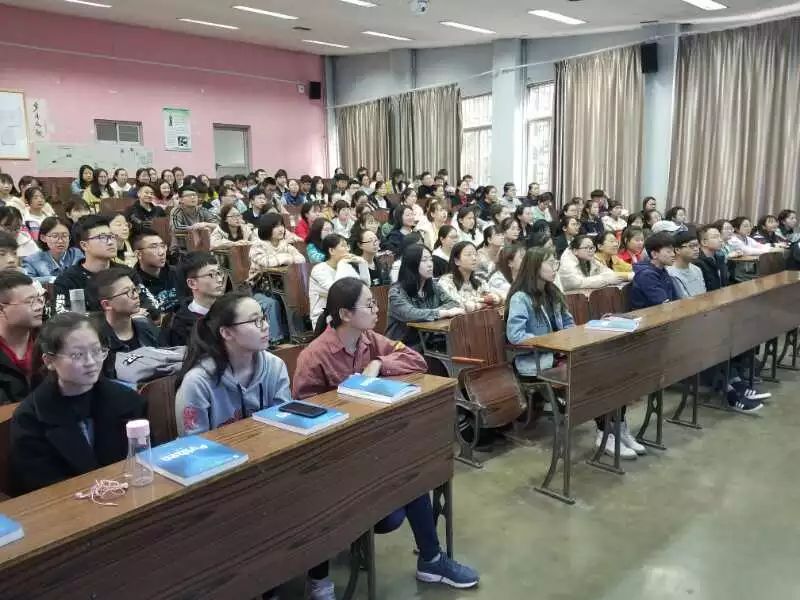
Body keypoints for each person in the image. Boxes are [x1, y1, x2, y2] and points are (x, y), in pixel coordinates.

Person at [293, 277, 480, 598]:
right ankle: (318, 581)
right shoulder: (315, 355)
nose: (376, 309)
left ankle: (431, 559)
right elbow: (303, 412)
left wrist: (379, 362)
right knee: (341, 502)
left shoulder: (369, 340)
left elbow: (416, 360)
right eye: (369, 305)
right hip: (333, 457)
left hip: (371, 448)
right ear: (345, 314)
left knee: (412, 472)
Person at [9, 313, 146, 495]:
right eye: (77, 355)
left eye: (97, 351)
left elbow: (144, 461)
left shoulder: (127, 400)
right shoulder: (29, 419)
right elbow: (40, 486)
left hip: (129, 494)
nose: (91, 362)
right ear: (49, 361)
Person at [175, 289, 291, 443]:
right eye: (255, 321)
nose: (266, 326)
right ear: (227, 333)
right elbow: (194, 445)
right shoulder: (197, 382)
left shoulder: (275, 366)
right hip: (219, 456)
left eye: (263, 318)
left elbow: (285, 424)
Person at [88, 268, 161, 378]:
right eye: (128, 292)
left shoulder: (145, 325)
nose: (136, 295)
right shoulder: (96, 341)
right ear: (107, 304)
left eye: (135, 289)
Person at [386, 246, 463, 349]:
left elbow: (453, 303)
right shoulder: (396, 292)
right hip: (403, 346)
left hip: (429, 342)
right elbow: (410, 314)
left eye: (430, 259)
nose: (430, 264)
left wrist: (437, 312)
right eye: (424, 260)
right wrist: (443, 313)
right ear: (411, 264)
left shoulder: (433, 286)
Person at [160, 252, 225, 347]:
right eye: (211, 275)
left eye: (219, 273)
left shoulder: (231, 310)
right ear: (192, 283)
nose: (219, 279)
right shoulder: (178, 325)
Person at [0, 271, 44, 405]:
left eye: (39, 299)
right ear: (1, 309)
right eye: (30, 302)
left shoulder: (49, 340)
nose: (39, 307)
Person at [308, 234, 370, 330]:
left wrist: (363, 264)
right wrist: (342, 264)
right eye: (343, 246)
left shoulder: (346, 266)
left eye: (347, 246)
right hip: (324, 319)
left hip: (346, 315)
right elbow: (338, 291)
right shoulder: (319, 270)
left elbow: (364, 288)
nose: (348, 249)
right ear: (331, 251)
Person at [438, 242, 502, 311]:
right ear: (457, 261)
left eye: (475, 254)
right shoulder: (446, 281)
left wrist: (491, 299)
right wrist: (483, 302)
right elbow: (456, 305)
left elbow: (496, 298)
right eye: (469, 255)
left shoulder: (479, 280)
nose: (474, 258)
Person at [22, 217, 84, 283]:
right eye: (55, 236)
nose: (60, 241)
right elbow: (26, 281)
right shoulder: (32, 260)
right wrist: (52, 279)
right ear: (43, 238)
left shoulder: (77, 254)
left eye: (65, 236)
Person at [133, 228, 179, 314]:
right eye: (153, 247)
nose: (162, 252)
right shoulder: (133, 282)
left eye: (163, 246)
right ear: (138, 254)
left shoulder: (177, 273)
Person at [559, 235, 627, 291]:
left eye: (592, 247)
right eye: (587, 248)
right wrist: (606, 279)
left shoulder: (590, 258)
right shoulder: (567, 264)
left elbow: (609, 273)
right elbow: (579, 283)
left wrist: (608, 278)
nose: (591, 251)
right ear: (575, 251)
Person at [629, 233, 677, 310]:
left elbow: (674, 299)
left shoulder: (662, 270)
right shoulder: (646, 275)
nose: (673, 254)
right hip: (647, 316)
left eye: (673, 251)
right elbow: (663, 303)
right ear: (654, 254)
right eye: (669, 251)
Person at [170, 186, 219, 252]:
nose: (193, 197)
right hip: (181, 249)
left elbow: (218, 225)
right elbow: (175, 227)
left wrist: (205, 224)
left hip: (203, 247)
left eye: (194, 195)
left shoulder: (202, 210)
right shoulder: (176, 211)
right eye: (189, 195)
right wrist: (195, 227)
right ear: (181, 199)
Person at [666, 232, 706, 299]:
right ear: (677, 250)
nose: (696, 249)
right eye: (691, 246)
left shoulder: (697, 269)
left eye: (697, 245)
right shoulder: (671, 274)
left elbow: (704, 293)